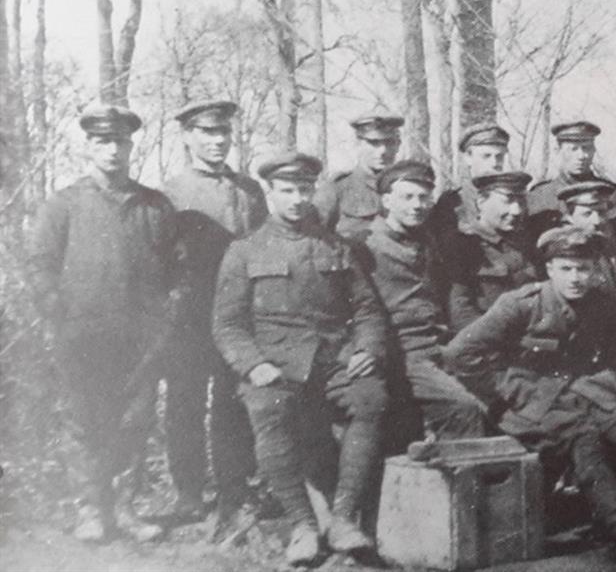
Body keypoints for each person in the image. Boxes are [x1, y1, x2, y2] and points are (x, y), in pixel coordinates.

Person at [443, 226, 616, 567]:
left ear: (595, 269)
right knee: (583, 439)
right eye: (566, 268)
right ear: (549, 269)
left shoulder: (605, 305)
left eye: (584, 268)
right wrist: (506, 390)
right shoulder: (520, 304)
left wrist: (602, 383)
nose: (576, 278)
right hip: (528, 401)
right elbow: (458, 354)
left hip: (584, 391)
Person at [212, 153, 389, 565]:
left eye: (304, 190)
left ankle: (343, 519)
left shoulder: (337, 246)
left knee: (371, 399)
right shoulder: (243, 251)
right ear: (270, 194)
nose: (297, 199)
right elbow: (227, 325)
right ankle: (302, 525)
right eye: (287, 190)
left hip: (334, 358)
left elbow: (367, 310)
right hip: (274, 363)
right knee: (268, 409)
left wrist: (366, 348)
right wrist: (253, 364)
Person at [30, 104, 177, 543]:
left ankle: (126, 507)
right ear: (88, 147)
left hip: (140, 337)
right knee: (85, 421)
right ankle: (91, 510)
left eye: (120, 141)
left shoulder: (154, 205)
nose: (112, 150)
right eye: (102, 142)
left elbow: (175, 268)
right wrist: (59, 317)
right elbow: (41, 266)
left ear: (131, 145)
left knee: (135, 421)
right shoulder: (64, 204)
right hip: (83, 334)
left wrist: (164, 322)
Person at [162, 100, 265, 535]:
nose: (217, 140)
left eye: (223, 132)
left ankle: (234, 488)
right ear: (187, 136)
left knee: (232, 400)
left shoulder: (250, 190)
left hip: (238, 310)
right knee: (185, 398)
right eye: (206, 132)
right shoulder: (171, 193)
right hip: (190, 310)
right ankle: (188, 491)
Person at [360, 160, 488, 440]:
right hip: (401, 353)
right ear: (387, 200)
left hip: (440, 346)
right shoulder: (366, 245)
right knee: (465, 409)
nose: (417, 205)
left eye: (423, 197)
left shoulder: (427, 239)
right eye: (407, 197)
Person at [445, 171, 539, 332]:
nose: (516, 210)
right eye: (508, 200)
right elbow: (460, 312)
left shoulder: (528, 244)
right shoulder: (462, 246)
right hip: (486, 345)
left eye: (521, 201)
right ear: (481, 202)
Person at [313, 114, 404, 238]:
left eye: (389, 142)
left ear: (398, 145)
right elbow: (315, 240)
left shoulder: (407, 189)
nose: (383, 150)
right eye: (374, 143)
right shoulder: (336, 189)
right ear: (358, 144)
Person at [527, 120, 616, 238]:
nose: (582, 156)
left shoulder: (613, 193)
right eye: (574, 149)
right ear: (558, 150)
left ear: (594, 150)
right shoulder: (539, 196)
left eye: (586, 148)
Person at [556, 180, 616, 303]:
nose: (597, 221)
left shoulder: (613, 249)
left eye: (601, 212)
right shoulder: (564, 255)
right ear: (569, 218)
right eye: (587, 214)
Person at [429, 123, 510, 236]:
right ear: (468, 158)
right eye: (486, 156)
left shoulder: (513, 199)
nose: (495, 163)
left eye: (499, 157)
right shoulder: (452, 202)